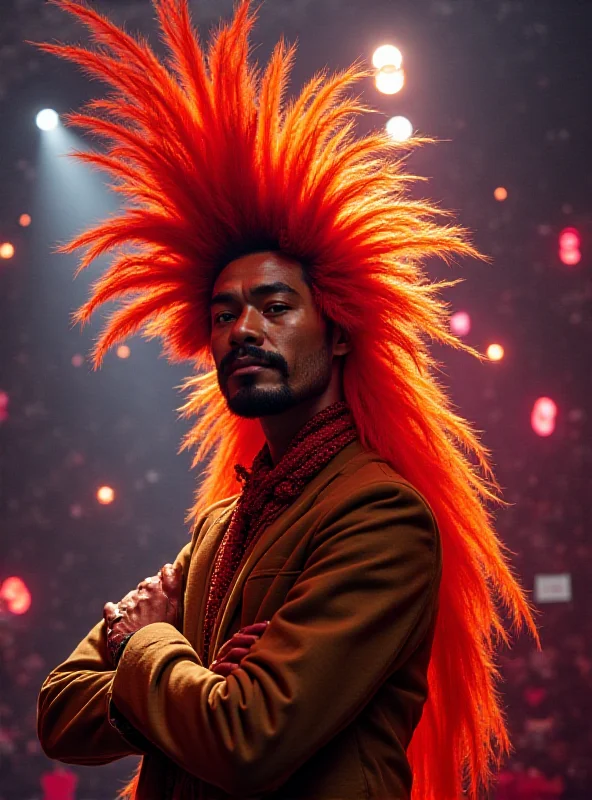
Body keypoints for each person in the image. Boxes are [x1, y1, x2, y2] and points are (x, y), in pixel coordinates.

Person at [34, 1, 538, 798]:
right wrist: (189, 675)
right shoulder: (222, 526)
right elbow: (58, 711)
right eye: (224, 313)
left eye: (274, 307)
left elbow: (246, 737)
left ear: (337, 329)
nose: (243, 329)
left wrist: (151, 646)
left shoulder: (382, 517)